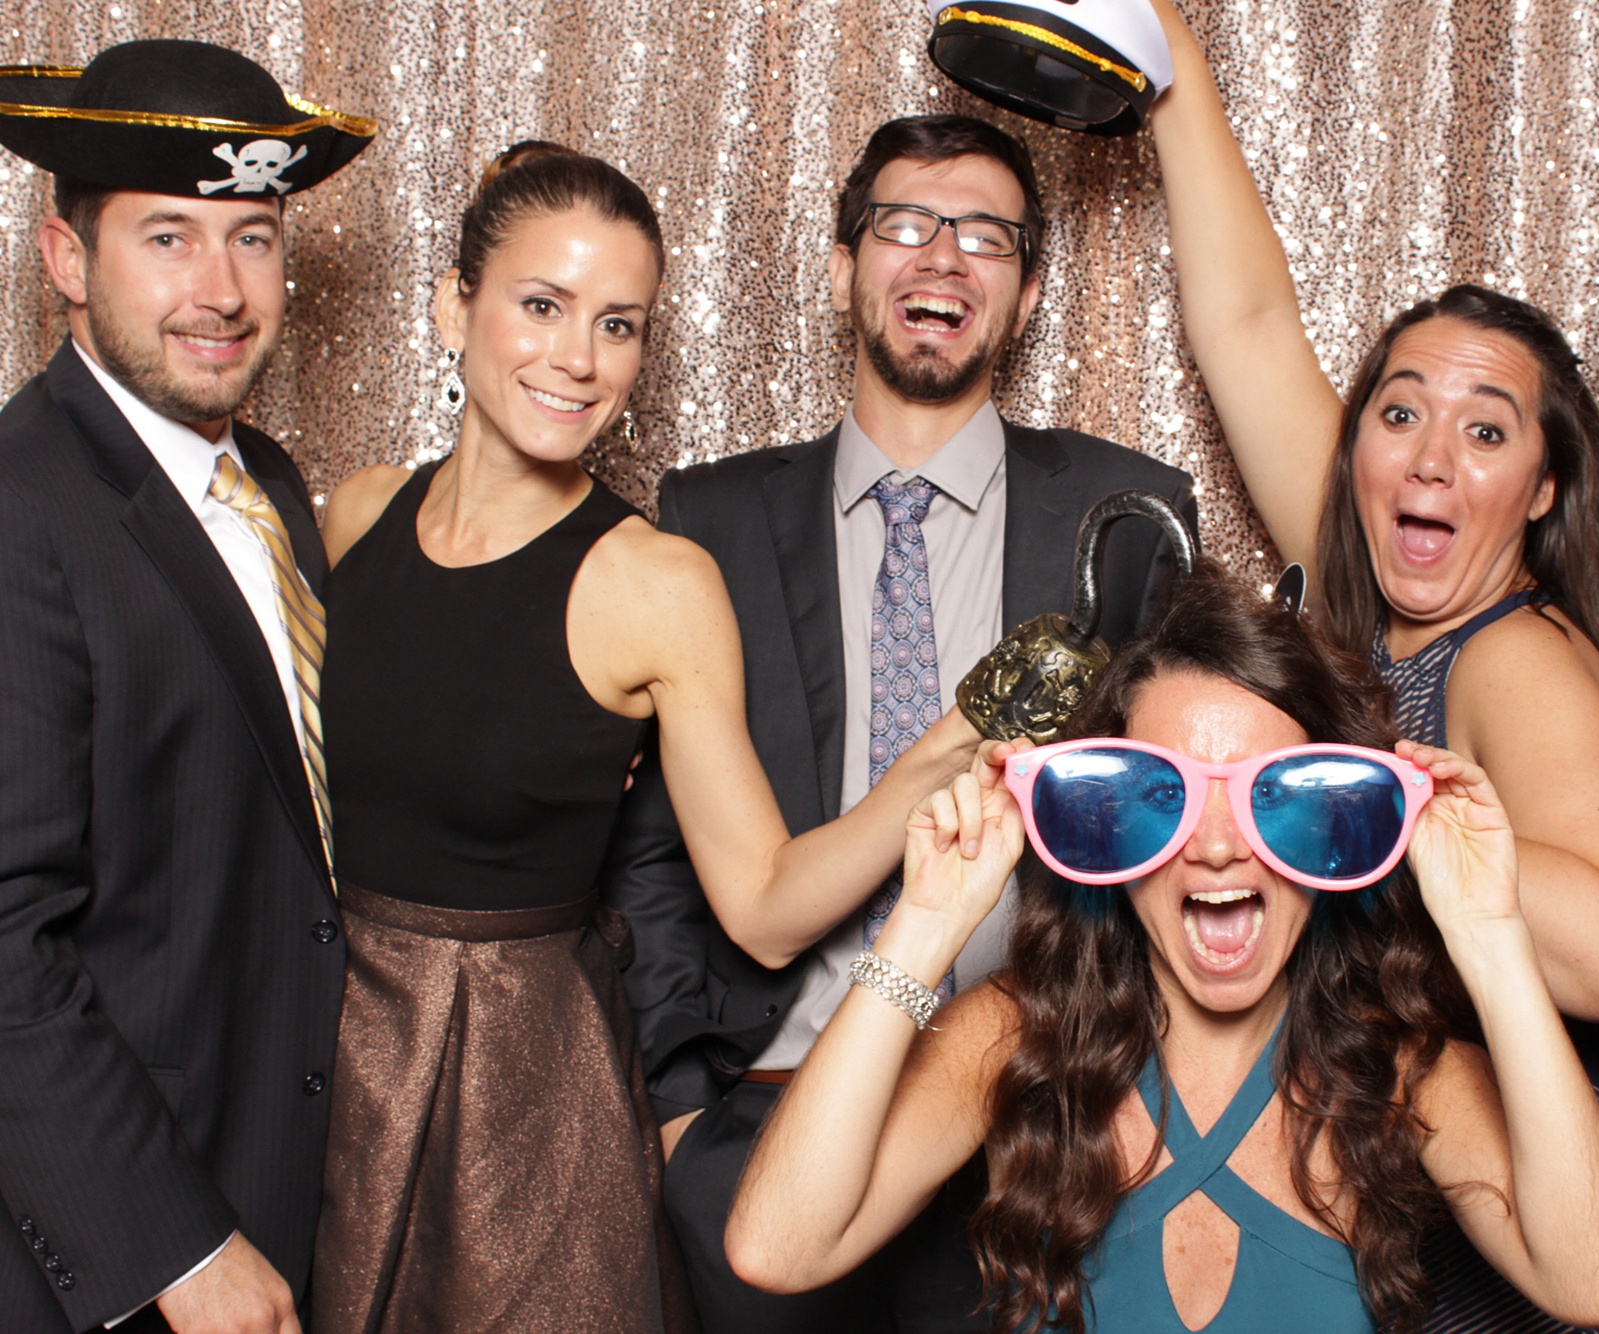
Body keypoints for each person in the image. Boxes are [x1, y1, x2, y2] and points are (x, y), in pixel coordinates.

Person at [308, 141, 987, 1333]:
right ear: (451, 304)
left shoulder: (655, 582)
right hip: (326, 1055)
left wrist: (948, 745)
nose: (579, 358)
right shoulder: (356, 514)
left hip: (521, 1095)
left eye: (618, 325)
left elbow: (766, 902)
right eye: (541, 305)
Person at [602, 113, 1198, 1333]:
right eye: (905, 224)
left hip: (1031, 1127)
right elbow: (653, 848)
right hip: (771, 1108)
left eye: (985, 236)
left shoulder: (1125, 513)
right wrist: (679, 1115)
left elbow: (1175, 818)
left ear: (1024, 294)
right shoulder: (705, 517)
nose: (941, 257)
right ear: (844, 266)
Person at [725, 561, 1599, 1334]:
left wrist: (1490, 937)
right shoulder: (1014, 1039)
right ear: (1105, 827)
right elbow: (777, 1247)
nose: (1216, 844)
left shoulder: (1398, 1072)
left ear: (1331, 828)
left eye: (1272, 795)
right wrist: (925, 928)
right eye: (1162, 795)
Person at [1136, 5, 1599, 1328]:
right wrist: (1170, 62)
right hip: (1413, 1172)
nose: (1430, 459)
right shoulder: (1355, 597)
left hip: (1545, 1190)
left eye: (1486, 431)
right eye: (1398, 413)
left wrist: (1352, 786)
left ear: (1545, 490)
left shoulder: (1519, 655)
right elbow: (1251, 325)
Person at [0, 40, 372, 1334]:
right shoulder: (22, 507)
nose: (220, 289)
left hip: (280, 1170)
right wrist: (171, 1244)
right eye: (168, 237)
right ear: (65, 258)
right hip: (116, 1246)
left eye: (254, 239)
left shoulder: (263, 482)